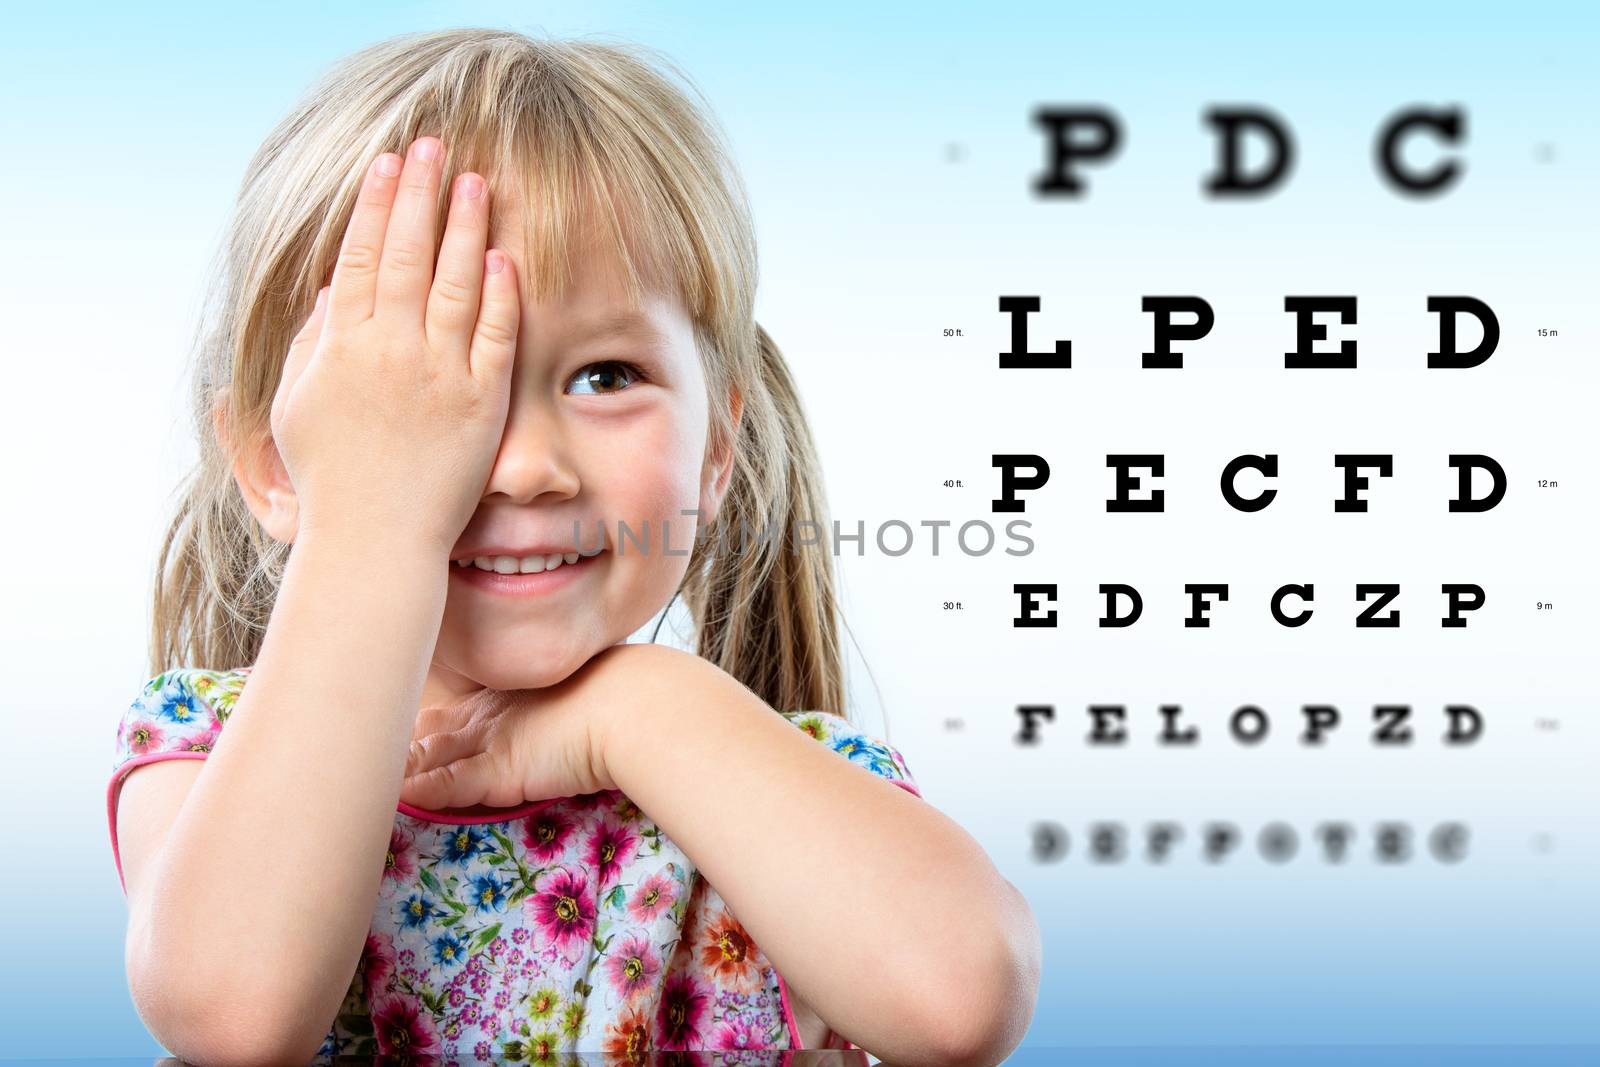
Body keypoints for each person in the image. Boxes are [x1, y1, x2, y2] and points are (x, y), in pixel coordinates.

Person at [107, 27, 1040, 1065]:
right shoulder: (207, 752)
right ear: (273, 463)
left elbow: (963, 1001)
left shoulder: (780, 781)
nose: (523, 466)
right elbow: (234, 1018)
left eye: (604, 375)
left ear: (716, 449)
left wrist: (633, 708)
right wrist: (373, 520)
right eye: (430, 393)